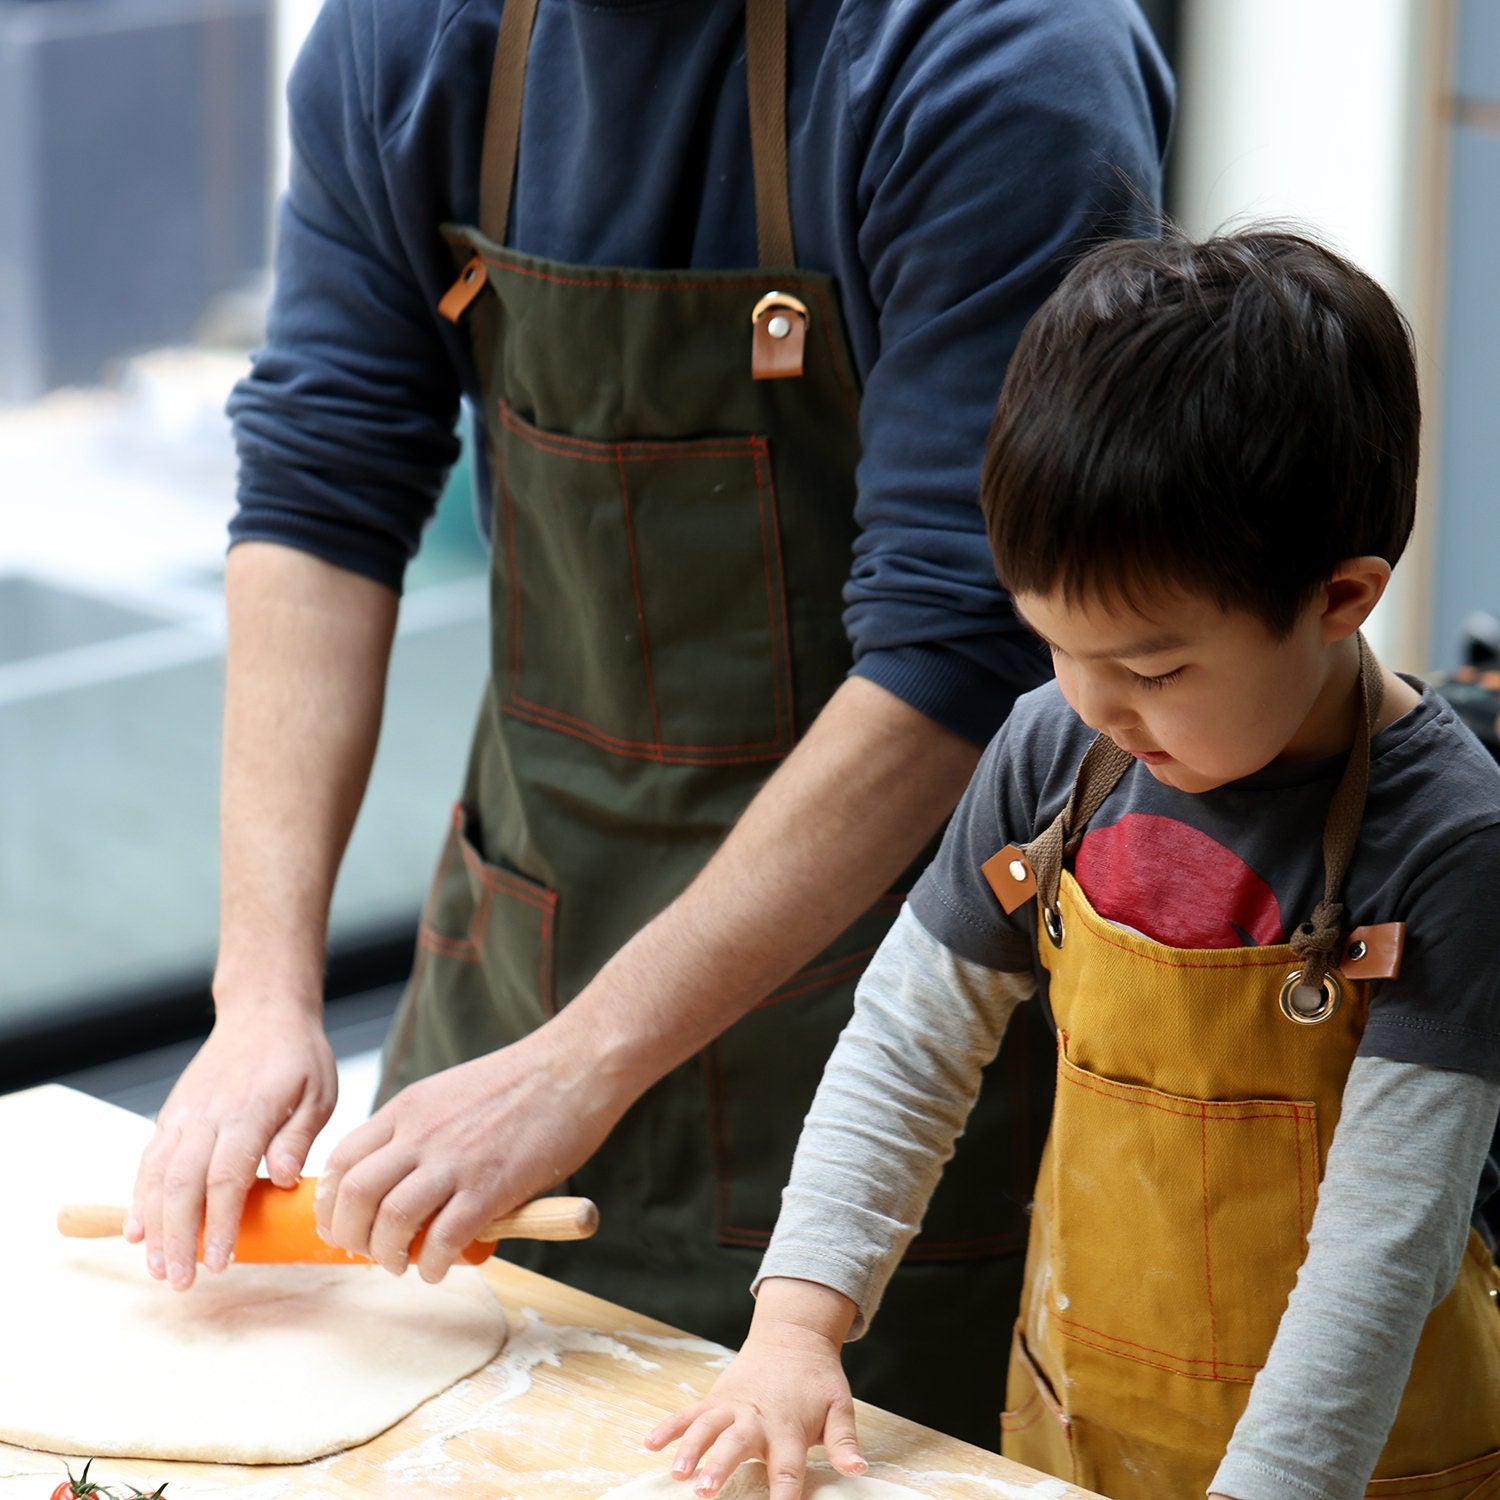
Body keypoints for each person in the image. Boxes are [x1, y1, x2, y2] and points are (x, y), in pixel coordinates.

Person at [124, 0, 1172, 1444]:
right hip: (521, 966)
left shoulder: (998, 57)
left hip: (895, 1048)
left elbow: (960, 644)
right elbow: (319, 483)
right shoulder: (412, 37)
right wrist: (262, 999)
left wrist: (583, 1063)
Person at [644, 231, 1500, 1499]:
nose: (1095, 702)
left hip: (1354, 1461)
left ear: (1341, 597)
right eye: (1054, 644)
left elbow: (1386, 1246)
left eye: (1154, 669)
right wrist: (795, 1323)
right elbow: (906, 1044)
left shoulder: (1449, 844)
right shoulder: (1057, 754)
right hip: (1079, 1428)